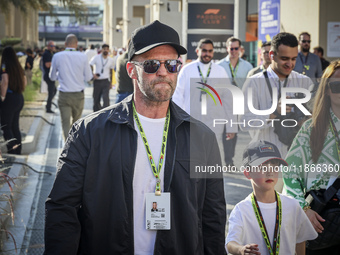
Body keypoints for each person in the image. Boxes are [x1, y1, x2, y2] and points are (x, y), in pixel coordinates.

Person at [44, 20, 226, 255]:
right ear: (131, 70)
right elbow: (62, 207)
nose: (163, 72)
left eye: (171, 64)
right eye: (151, 65)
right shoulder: (89, 132)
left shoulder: (203, 138)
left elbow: (213, 216)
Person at [283, 60, 340, 254]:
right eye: (336, 85)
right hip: (322, 221)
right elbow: (290, 173)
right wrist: (303, 210)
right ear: (326, 90)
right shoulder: (310, 129)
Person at [226, 140, 317, 255]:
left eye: (274, 166)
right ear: (247, 173)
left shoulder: (292, 205)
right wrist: (241, 249)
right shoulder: (241, 210)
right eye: (262, 166)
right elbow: (230, 243)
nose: (269, 172)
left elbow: (300, 239)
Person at [172, 38, 237, 165]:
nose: (207, 54)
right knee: (192, 158)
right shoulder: (187, 70)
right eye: (204, 51)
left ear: (213, 53)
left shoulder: (220, 71)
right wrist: (178, 122)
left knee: (210, 158)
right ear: (197, 51)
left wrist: (231, 126)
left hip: (214, 124)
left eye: (210, 51)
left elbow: (228, 100)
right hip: (191, 121)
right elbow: (177, 97)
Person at [217, 37, 253, 168]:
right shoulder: (219, 66)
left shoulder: (247, 66)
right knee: (227, 130)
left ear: (240, 49)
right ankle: (228, 160)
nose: (233, 51)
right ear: (227, 49)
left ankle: (230, 157)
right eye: (231, 48)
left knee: (235, 132)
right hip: (225, 104)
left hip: (240, 103)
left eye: (236, 48)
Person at [49, 34, 93, 140]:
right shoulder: (83, 56)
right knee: (77, 123)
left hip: (64, 94)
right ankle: (75, 146)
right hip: (78, 95)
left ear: (65, 44)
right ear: (76, 44)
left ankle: (67, 147)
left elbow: (52, 77)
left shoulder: (57, 56)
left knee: (65, 123)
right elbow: (88, 77)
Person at [0, 47, 27, 154]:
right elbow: (24, 81)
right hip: (19, 97)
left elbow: (5, 81)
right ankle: (18, 150)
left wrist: (2, 96)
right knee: (15, 126)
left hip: (9, 98)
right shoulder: (18, 67)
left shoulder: (5, 66)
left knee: (6, 126)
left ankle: (13, 149)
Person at [90, 43, 115, 112]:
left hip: (106, 81)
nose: (105, 50)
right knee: (96, 99)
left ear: (109, 50)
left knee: (106, 99)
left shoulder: (111, 60)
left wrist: (111, 83)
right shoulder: (96, 57)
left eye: (107, 49)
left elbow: (111, 72)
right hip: (97, 81)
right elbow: (90, 65)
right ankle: (96, 114)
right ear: (101, 50)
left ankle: (105, 114)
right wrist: (92, 74)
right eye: (104, 49)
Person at [42, 41, 56, 113]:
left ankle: (49, 103)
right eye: (52, 46)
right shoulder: (47, 54)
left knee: (54, 91)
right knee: (51, 92)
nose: (53, 47)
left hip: (51, 76)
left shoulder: (50, 53)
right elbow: (47, 65)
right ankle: (48, 107)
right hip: (48, 76)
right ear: (48, 46)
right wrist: (55, 63)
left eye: (54, 46)